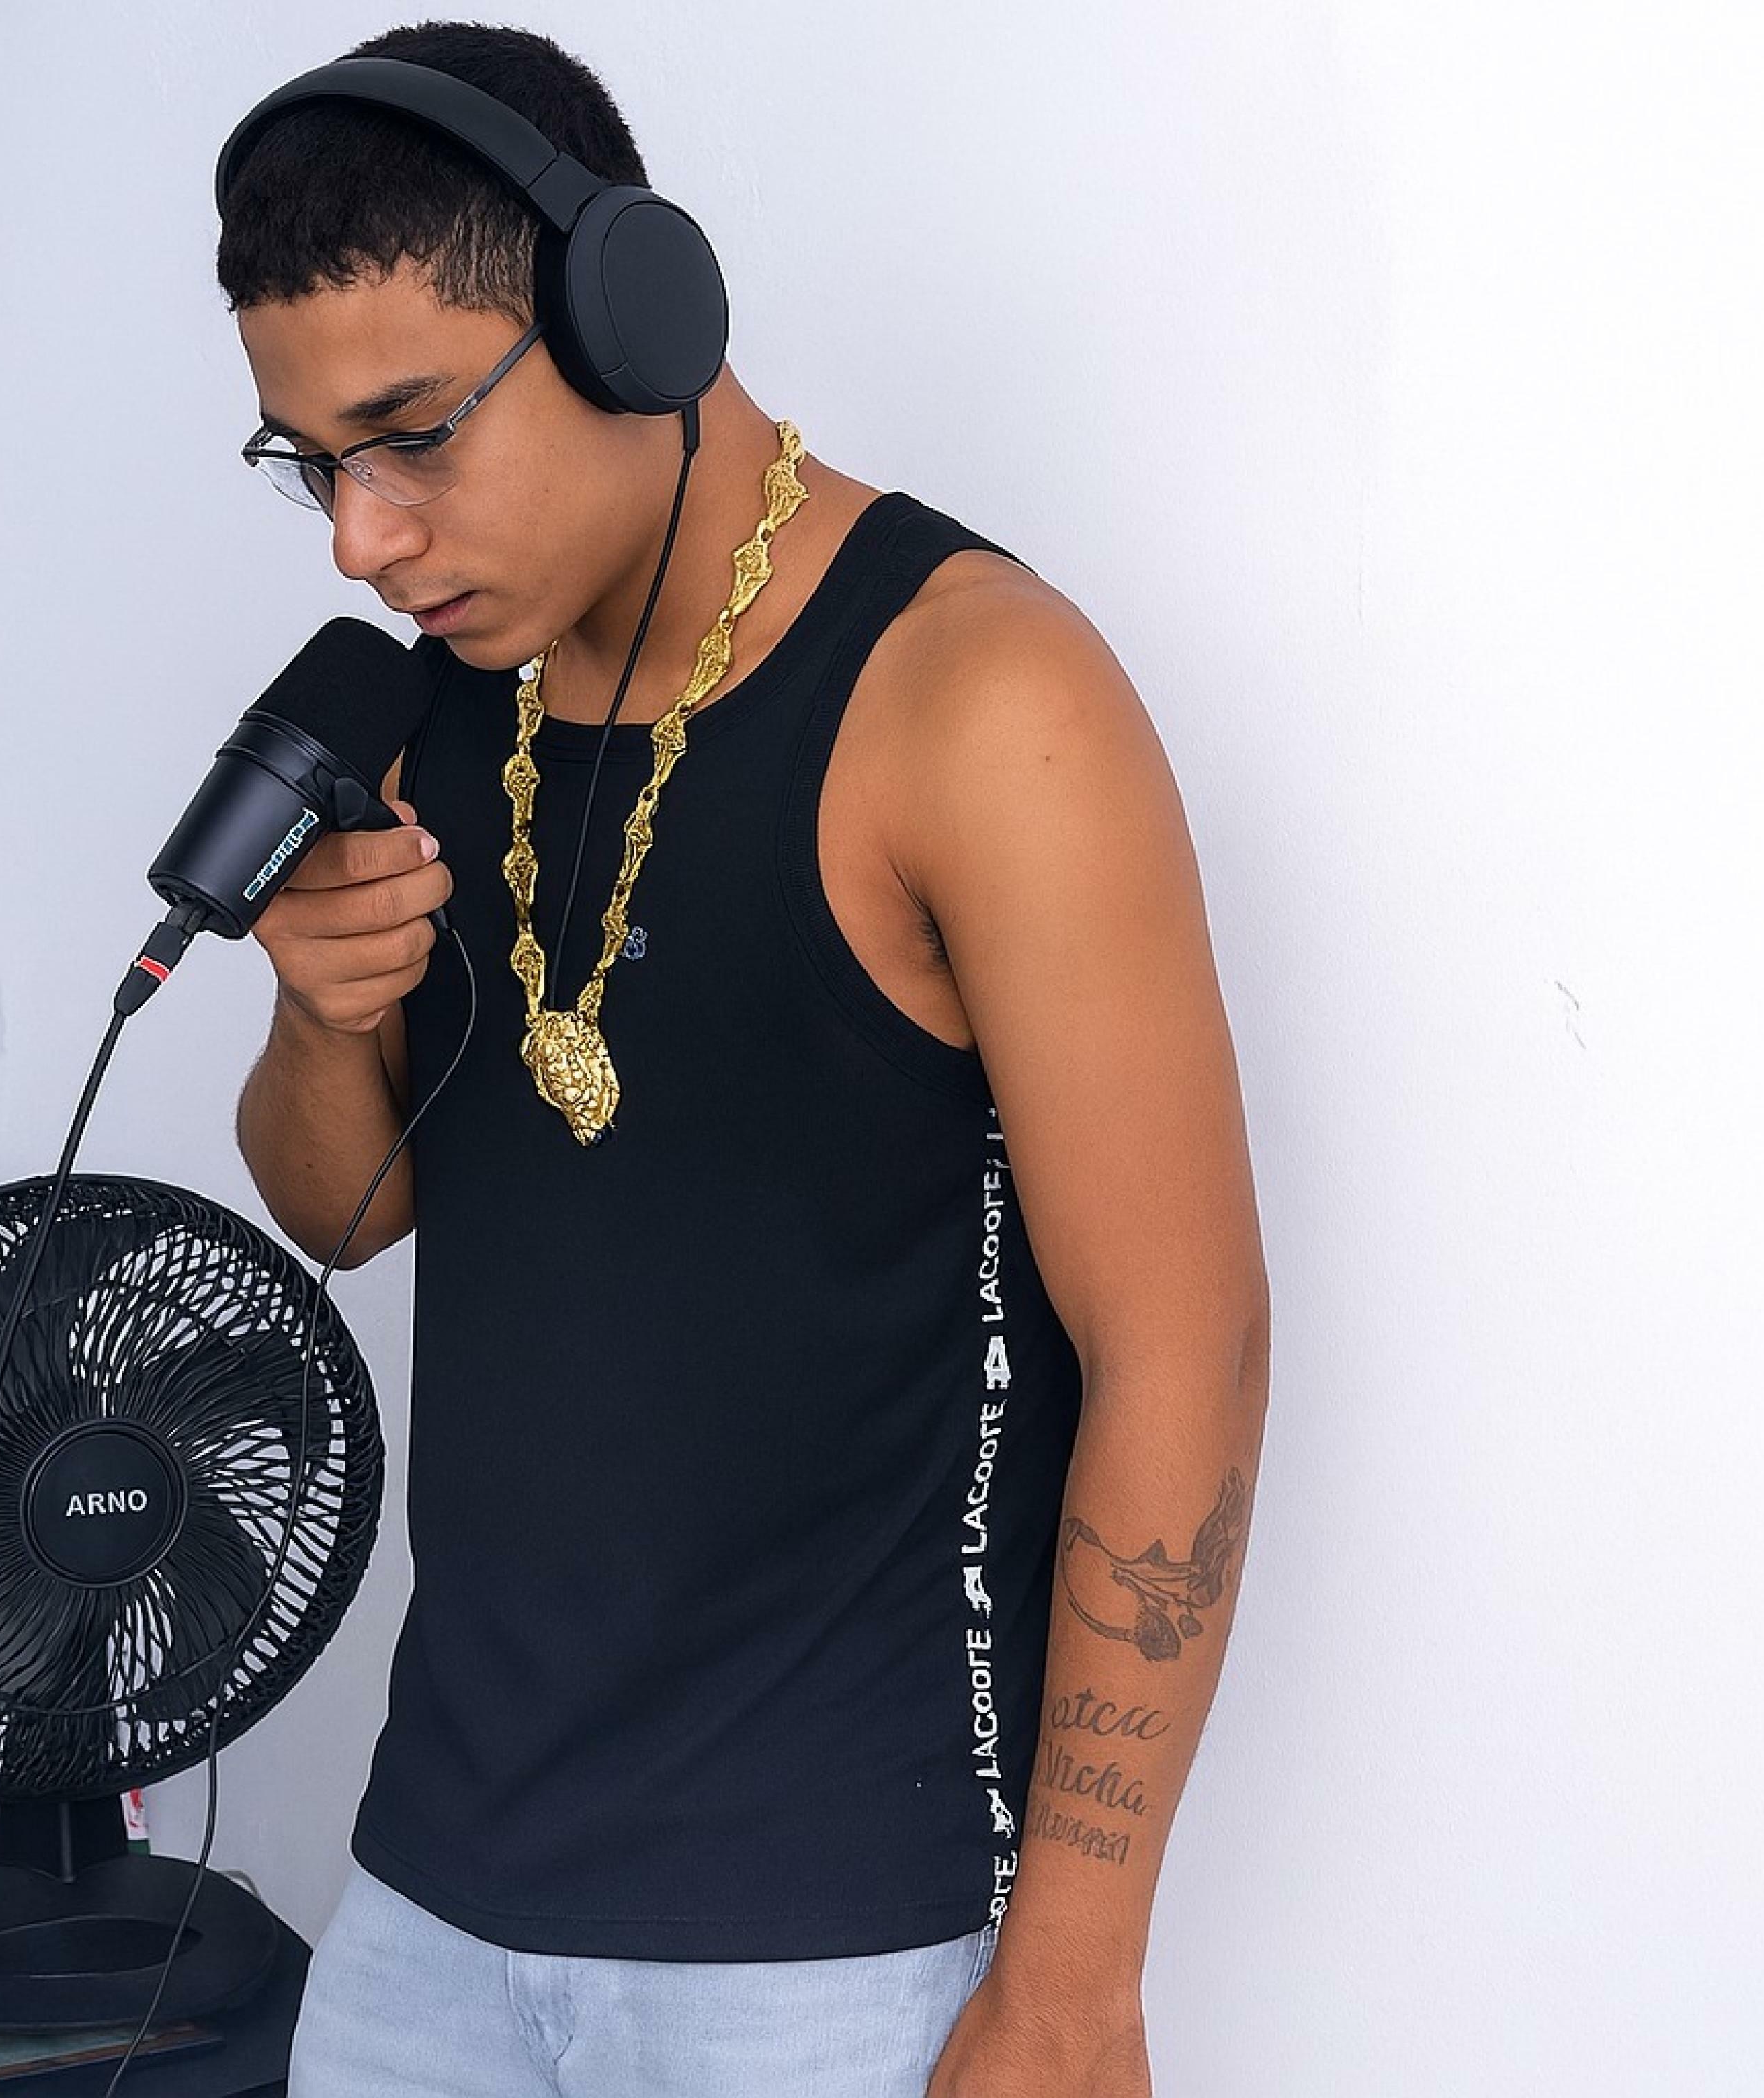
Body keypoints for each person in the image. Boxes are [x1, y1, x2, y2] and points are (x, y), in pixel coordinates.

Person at [224, 22, 1270, 2098]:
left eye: (410, 436)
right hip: (428, 1913)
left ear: (637, 321)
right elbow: (345, 1212)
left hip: (833, 1959)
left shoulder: (978, 701)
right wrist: (318, 1005)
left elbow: (1185, 1350)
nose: (361, 538)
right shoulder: (432, 699)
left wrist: (1071, 1991)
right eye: (311, 462)